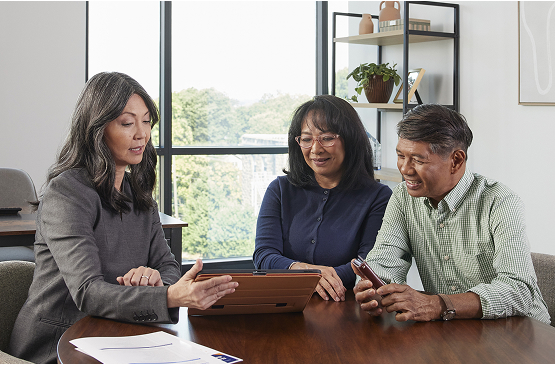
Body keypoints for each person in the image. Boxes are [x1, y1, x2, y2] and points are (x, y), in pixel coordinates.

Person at [9, 72, 238, 363]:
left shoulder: (138, 192)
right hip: (60, 343)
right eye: (127, 123)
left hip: (121, 335)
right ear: (97, 128)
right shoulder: (66, 193)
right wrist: (169, 297)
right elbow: (87, 292)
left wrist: (156, 280)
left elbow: (167, 265)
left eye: (146, 122)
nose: (141, 134)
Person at [352, 103, 550, 324]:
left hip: (522, 333)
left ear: (456, 160)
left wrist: (438, 305)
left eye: (418, 160)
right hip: (455, 333)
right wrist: (373, 289)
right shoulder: (402, 198)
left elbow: (519, 290)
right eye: (400, 155)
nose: (405, 169)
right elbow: (384, 259)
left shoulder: (501, 201)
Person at [253, 95, 392, 302]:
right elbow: (263, 256)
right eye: (307, 139)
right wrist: (305, 272)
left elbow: (367, 262)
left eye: (327, 137)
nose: (316, 149)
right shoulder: (279, 189)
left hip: (346, 308)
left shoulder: (378, 196)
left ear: (350, 139)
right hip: (284, 305)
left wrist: (325, 279)